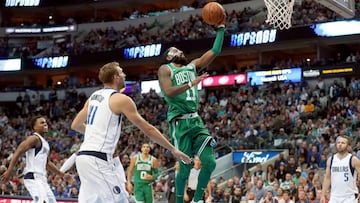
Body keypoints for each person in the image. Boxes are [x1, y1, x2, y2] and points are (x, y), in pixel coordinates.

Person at [71, 62, 191, 203]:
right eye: (122, 73)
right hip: (98, 158)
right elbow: (148, 129)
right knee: (121, 200)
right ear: (116, 77)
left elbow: (76, 125)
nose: (124, 75)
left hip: (83, 158)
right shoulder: (121, 99)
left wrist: (95, 132)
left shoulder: (93, 98)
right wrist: (173, 149)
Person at [157, 9, 225, 203]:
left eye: (179, 49)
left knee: (210, 162)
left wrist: (220, 28)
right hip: (179, 123)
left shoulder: (193, 66)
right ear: (168, 57)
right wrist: (191, 84)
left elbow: (215, 51)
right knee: (185, 167)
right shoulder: (165, 69)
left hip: (196, 120)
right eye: (174, 51)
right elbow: (169, 92)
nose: (179, 51)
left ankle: (196, 200)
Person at [0, 115, 65, 203]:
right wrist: (9, 170)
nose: (45, 124)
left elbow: (47, 163)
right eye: (42, 123)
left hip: (42, 178)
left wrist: (62, 175)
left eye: (45, 122)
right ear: (34, 127)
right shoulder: (33, 138)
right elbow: (18, 152)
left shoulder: (44, 142)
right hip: (33, 176)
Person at [321, 135, 360, 203]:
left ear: (348, 146)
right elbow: (327, 178)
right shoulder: (331, 160)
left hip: (349, 197)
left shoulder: (353, 160)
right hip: (334, 196)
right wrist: (322, 195)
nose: (340, 144)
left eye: (343, 143)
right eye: (338, 142)